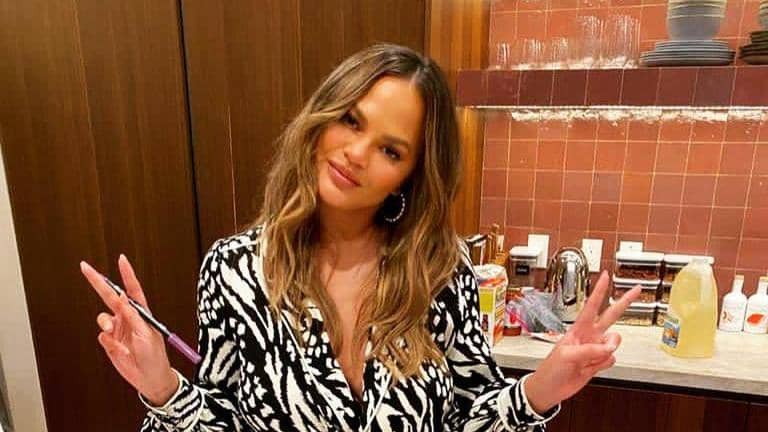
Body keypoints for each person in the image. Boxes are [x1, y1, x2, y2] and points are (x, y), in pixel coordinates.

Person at [80, 43, 640, 431]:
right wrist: (162, 388)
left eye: (390, 150)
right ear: (321, 117)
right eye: (350, 120)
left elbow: (470, 417)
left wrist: (540, 391)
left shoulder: (438, 272)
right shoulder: (236, 270)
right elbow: (221, 421)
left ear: (410, 175)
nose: (356, 153)